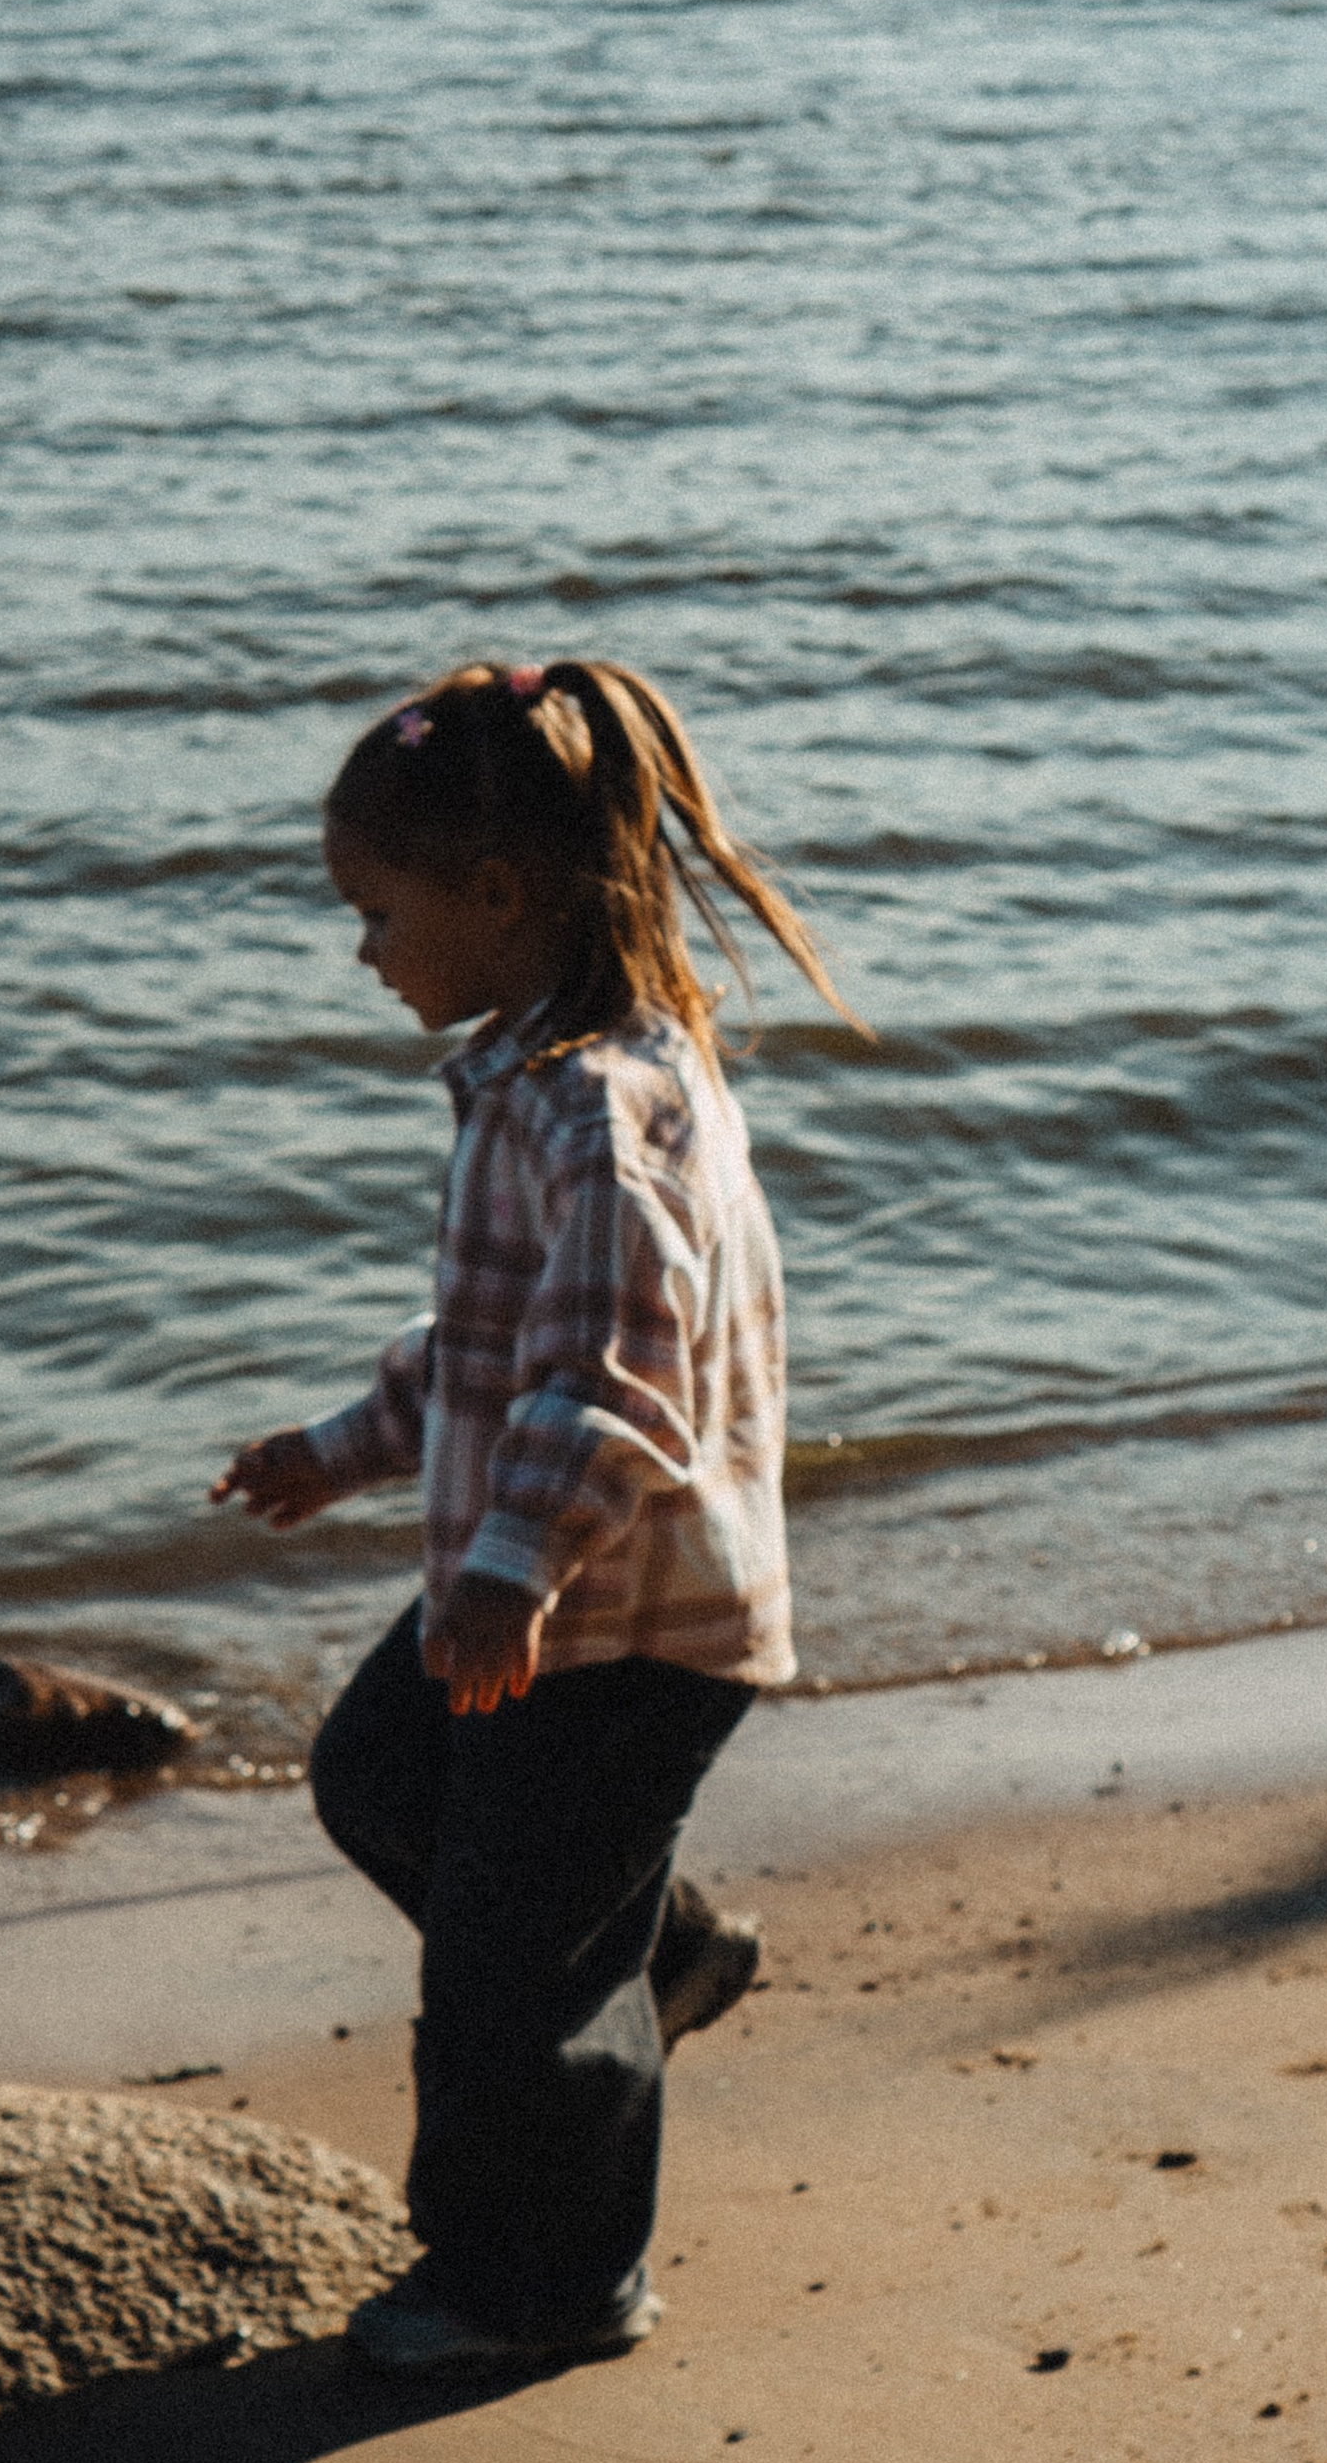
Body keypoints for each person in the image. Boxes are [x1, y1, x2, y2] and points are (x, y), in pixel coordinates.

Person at [210, 658, 863, 2374]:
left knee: (505, 1979)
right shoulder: (540, 1073)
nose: (362, 951)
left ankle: (549, 2283)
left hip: (618, 1620)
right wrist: (339, 1449)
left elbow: (612, 1384)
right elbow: (497, 1348)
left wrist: (507, 1573)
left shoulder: (597, 1104)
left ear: (497, 895)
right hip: (556, 1591)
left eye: (376, 913)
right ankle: (661, 1948)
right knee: (382, 1776)